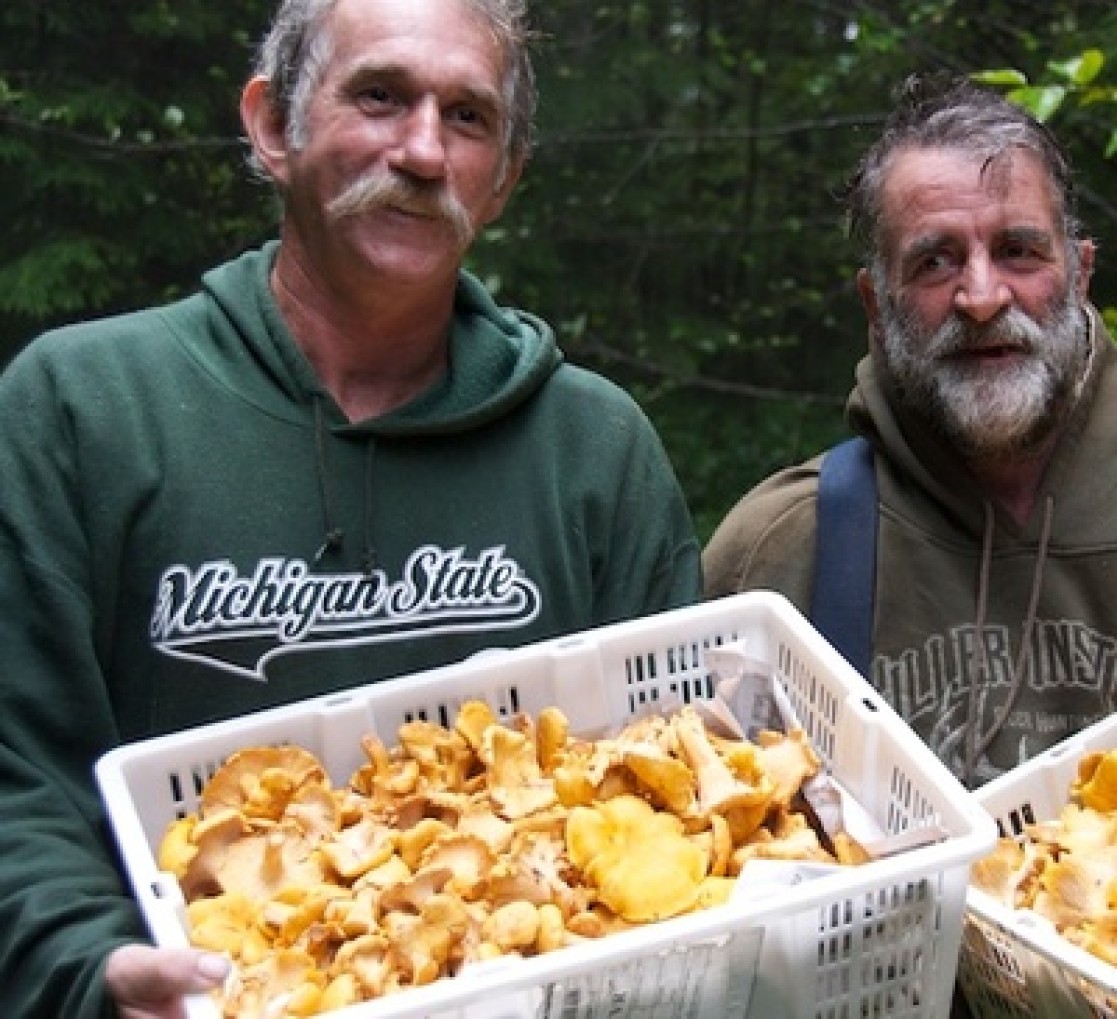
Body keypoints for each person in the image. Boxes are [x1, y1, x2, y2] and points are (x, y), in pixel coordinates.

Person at [0, 0, 701, 1015]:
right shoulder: (84, 408)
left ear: (503, 177)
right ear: (272, 125)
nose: (422, 149)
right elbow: (17, 766)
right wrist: (87, 966)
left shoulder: (594, 449)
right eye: (380, 95)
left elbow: (672, 778)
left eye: (468, 117)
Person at [704, 76, 1117, 790]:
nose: (982, 298)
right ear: (875, 302)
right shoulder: (777, 558)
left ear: (1080, 276)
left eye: (1019, 250)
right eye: (935, 260)